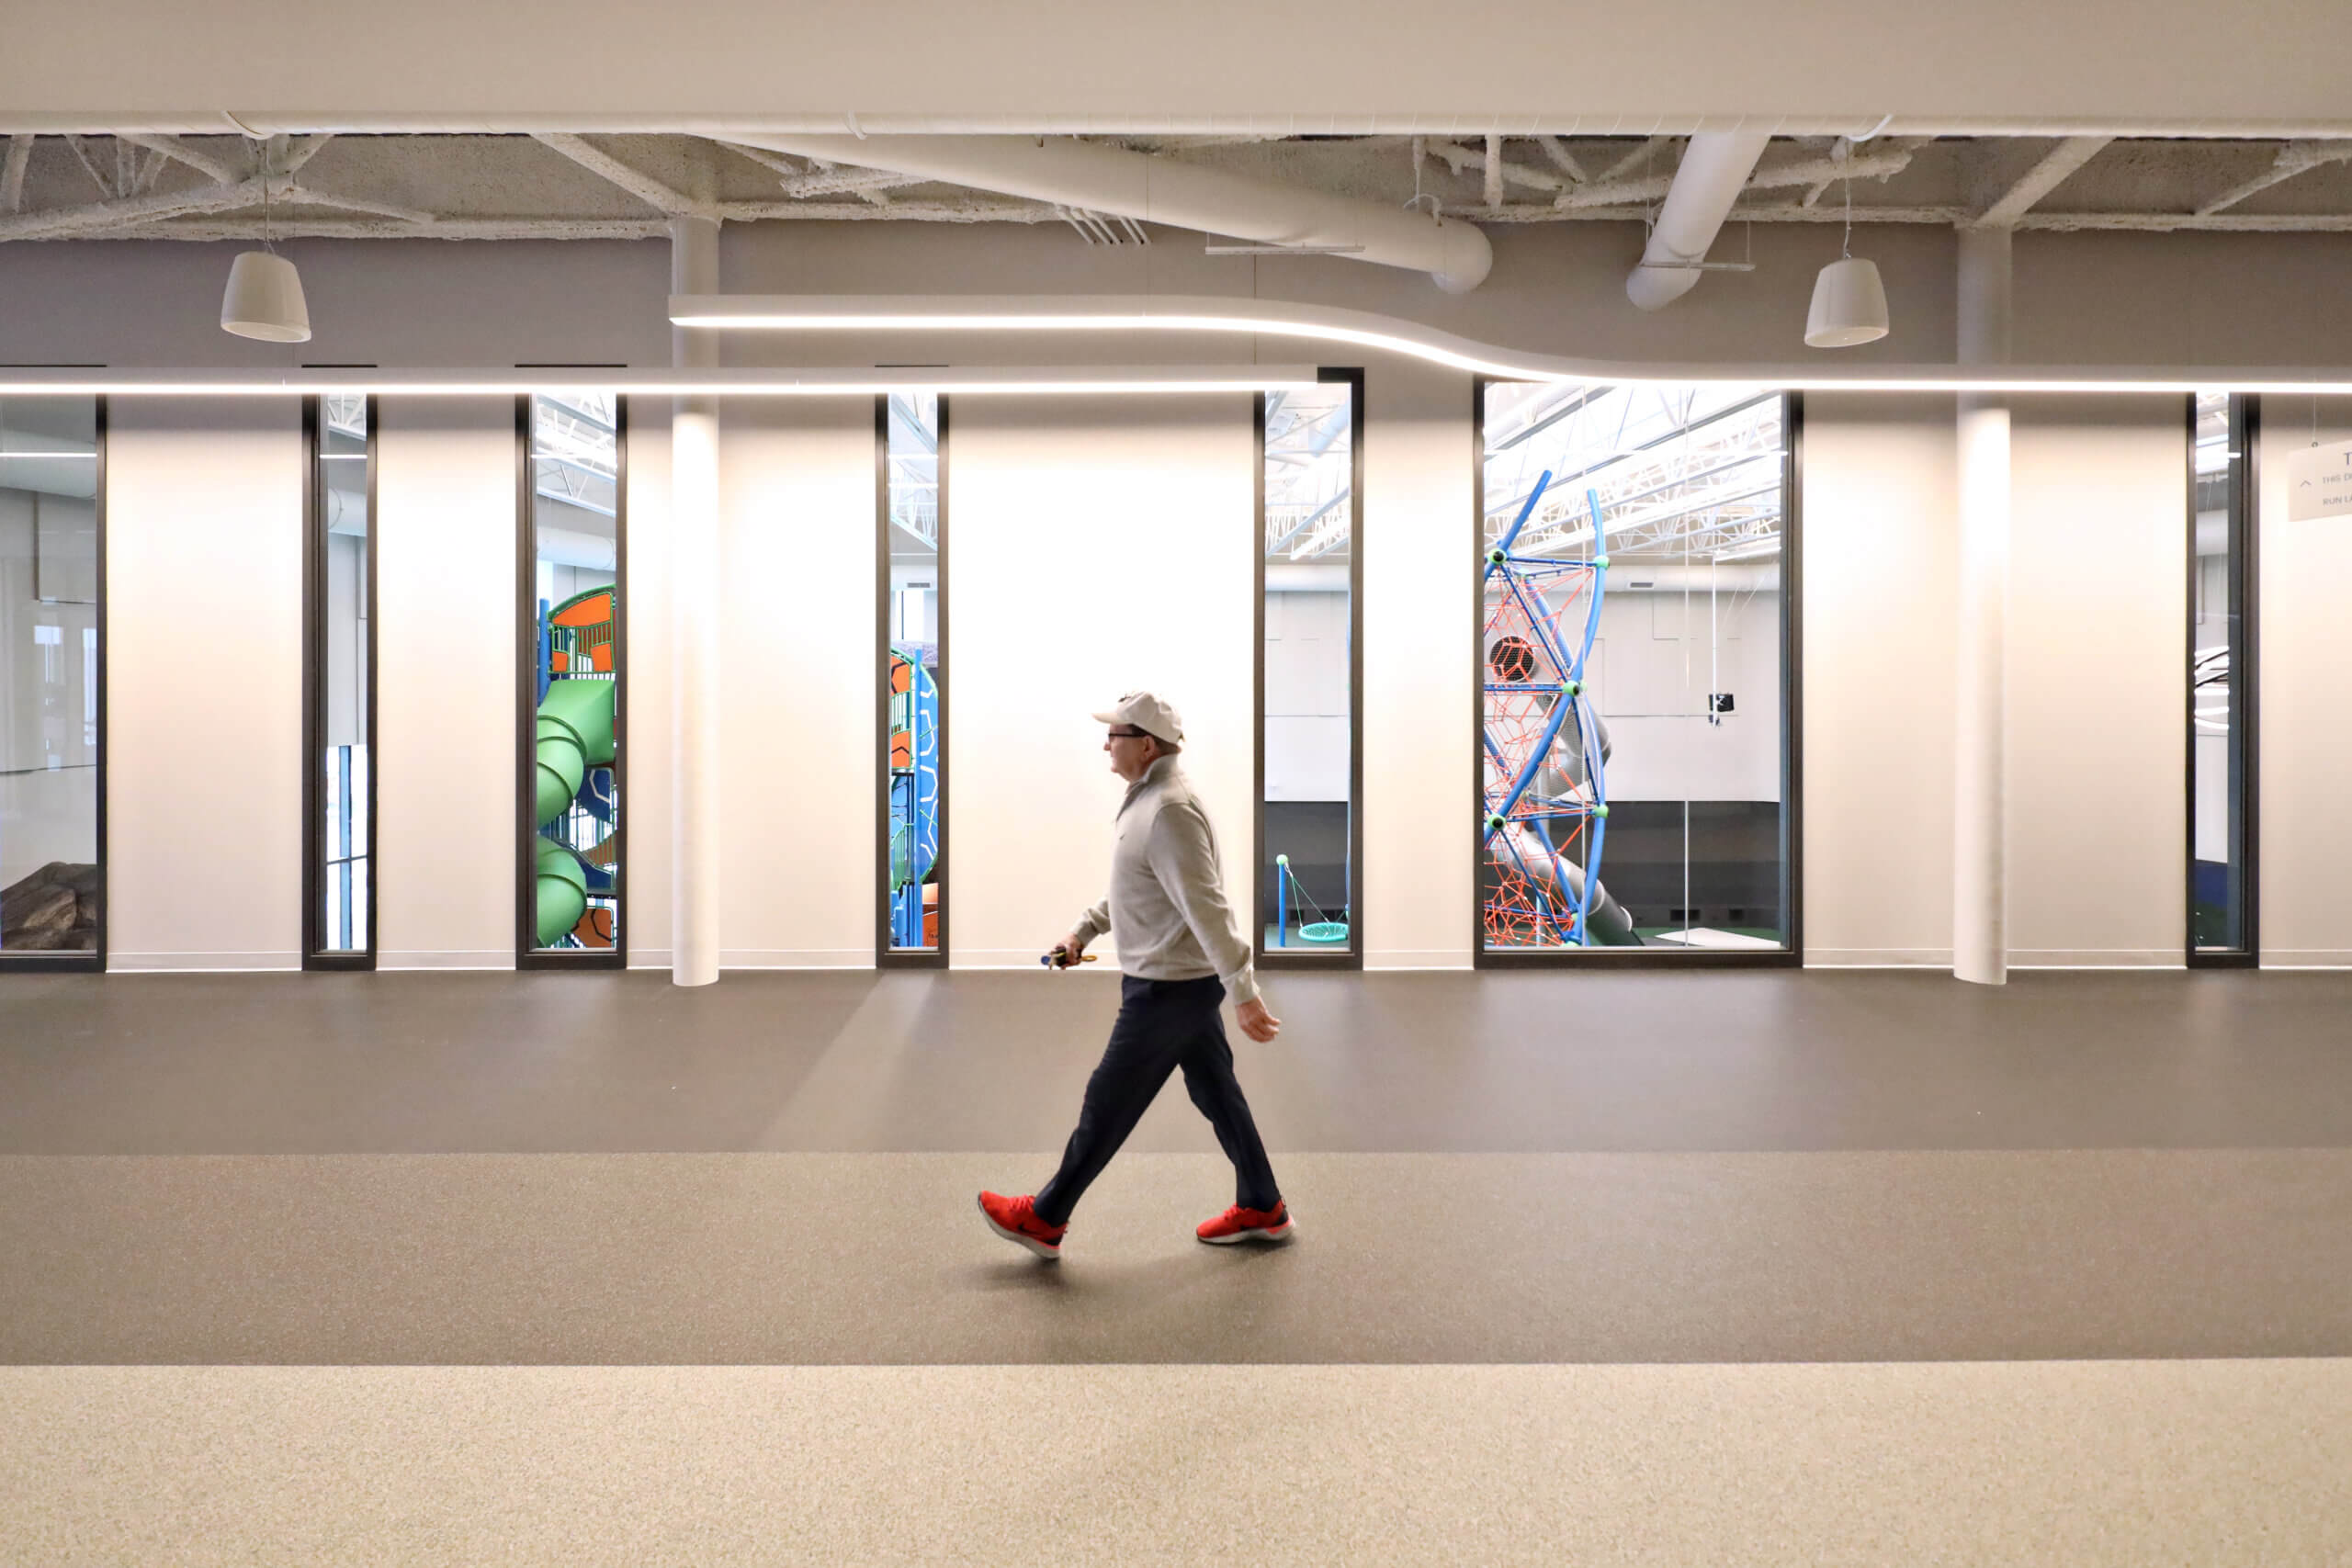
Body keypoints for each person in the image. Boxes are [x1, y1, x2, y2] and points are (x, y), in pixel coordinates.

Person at [978, 691, 1292, 1261]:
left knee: (1108, 1100)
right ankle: (1263, 1204)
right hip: (1175, 982)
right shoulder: (1149, 802)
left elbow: (1208, 909)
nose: (1106, 745)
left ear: (1145, 745)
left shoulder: (1168, 809)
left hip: (1167, 990)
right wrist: (1083, 932)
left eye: (1115, 736)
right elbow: (1134, 884)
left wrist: (1243, 992)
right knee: (1217, 1093)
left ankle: (1044, 1218)